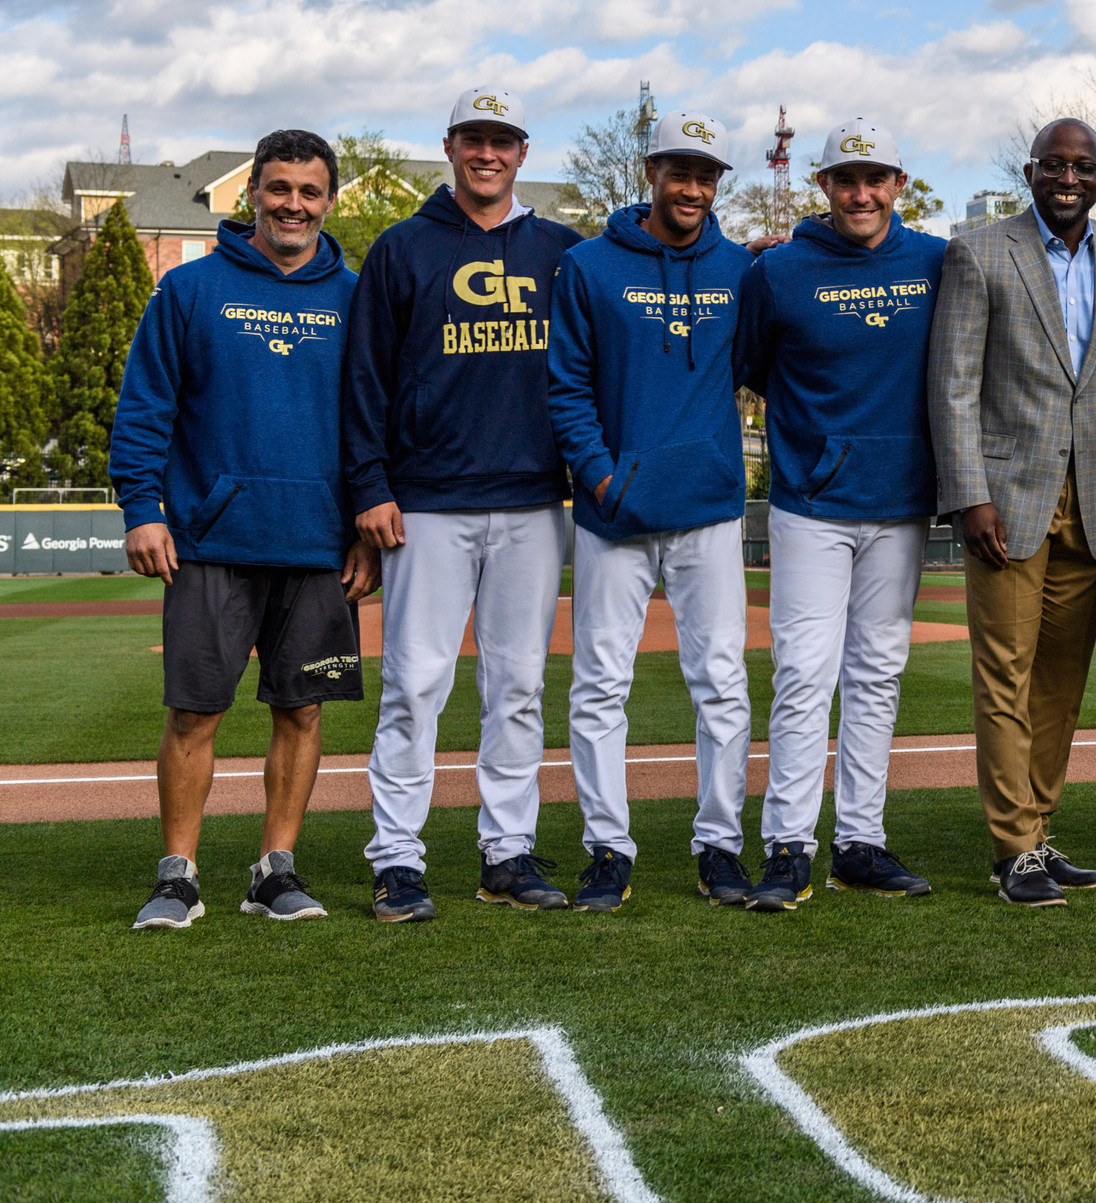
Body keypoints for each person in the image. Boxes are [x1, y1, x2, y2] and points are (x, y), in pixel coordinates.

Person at [116, 130, 378, 930]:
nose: (293, 204)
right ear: (250, 195)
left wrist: (366, 525)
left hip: (317, 542)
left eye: (309, 191)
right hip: (208, 540)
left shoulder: (357, 296)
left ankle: (275, 868)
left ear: (329, 200)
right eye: (278, 188)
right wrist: (142, 507)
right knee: (195, 713)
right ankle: (177, 874)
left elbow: (376, 419)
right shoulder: (191, 290)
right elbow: (146, 406)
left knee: (301, 711)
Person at [345, 87, 586, 924]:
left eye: (504, 140)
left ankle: (506, 853)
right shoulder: (401, 249)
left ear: (523, 151)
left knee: (517, 686)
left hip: (530, 500)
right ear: (449, 146)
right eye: (474, 138)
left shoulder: (563, 250)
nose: (488, 153)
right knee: (414, 684)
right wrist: (369, 485)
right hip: (430, 503)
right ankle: (397, 859)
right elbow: (364, 379)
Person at [928, 119, 1096, 907]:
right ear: (1030, 172)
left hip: (1094, 502)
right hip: (1007, 501)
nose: (1069, 177)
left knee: (1061, 682)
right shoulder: (979, 252)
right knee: (1003, 676)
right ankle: (1012, 848)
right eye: (1055, 164)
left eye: (1084, 166)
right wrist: (969, 493)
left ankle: (1039, 830)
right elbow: (953, 385)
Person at [733, 122, 949, 910]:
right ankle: (789, 843)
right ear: (824, 186)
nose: (862, 194)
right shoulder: (780, 272)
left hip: (900, 504)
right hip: (811, 502)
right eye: (845, 179)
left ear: (899, 182)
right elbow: (751, 365)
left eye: (876, 178)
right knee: (803, 674)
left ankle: (861, 839)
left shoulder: (934, 261)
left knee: (877, 676)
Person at [547, 112, 757, 912]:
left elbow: (765, 358)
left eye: (707, 175)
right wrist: (599, 479)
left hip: (707, 507)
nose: (694, 188)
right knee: (601, 684)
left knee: (721, 683)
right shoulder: (589, 266)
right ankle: (608, 846)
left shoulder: (741, 269)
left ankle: (719, 845)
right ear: (651, 174)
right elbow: (565, 385)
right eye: (680, 171)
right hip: (614, 512)